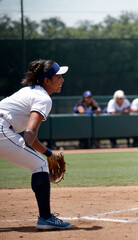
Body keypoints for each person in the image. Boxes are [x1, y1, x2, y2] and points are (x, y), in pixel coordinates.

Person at [0, 60, 72, 230]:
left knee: (39, 161)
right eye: (59, 76)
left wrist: (48, 153)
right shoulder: (43, 98)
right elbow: (30, 134)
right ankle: (46, 218)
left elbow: (30, 137)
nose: (62, 80)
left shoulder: (30, 91)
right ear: (47, 80)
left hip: (3, 128)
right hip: (1, 129)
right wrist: (36, 153)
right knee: (39, 165)